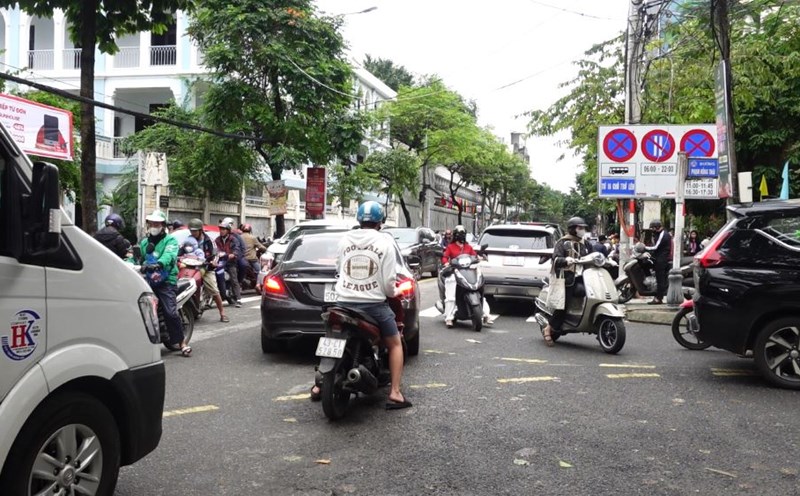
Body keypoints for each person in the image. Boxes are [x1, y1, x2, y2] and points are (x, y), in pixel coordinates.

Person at [310, 201, 411, 410]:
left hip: (342, 302)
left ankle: (318, 385)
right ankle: (395, 392)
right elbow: (388, 283)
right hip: (373, 305)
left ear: (359, 220)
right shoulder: (385, 242)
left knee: (330, 337)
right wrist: (394, 292)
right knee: (395, 343)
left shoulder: (345, 239)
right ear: (380, 221)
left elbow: (339, 269)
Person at [139, 210, 191, 356]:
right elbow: (138, 258)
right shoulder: (144, 242)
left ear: (163, 225)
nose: (154, 226)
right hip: (148, 280)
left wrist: (159, 263)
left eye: (157, 223)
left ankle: (182, 343)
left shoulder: (170, 241)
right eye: (151, 223)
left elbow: (169, 255)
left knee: (170, 312)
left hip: (166, 281)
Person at [541, 217, 591, 346]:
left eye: (583, 228)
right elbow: (556, 260)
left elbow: (594, 255)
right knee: (563, 304)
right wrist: (566, 260)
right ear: (573, 229)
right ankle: (549, 327)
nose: (582, 230)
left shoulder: (586, 243)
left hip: (585, 277)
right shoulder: (562, 242)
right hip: (567, 279)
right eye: (580, 228)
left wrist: (607, 260)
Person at [440, 225, 493, 327]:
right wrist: (446, 263)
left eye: (463, 235)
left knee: (480, 292)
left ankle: (486, 315)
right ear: (455, 236)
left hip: (468, 272)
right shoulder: (450, 247)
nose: (461, 237)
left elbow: (474, 256)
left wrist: (480, 257)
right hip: (454, 272)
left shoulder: (468, 247)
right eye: (459, 235)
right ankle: (449, 318)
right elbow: (445, 257)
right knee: (451, 296)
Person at [188, 218, 229, 322]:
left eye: (194, 231)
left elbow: (215, 254)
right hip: (191, 267)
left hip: (206, 268)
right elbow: (181, 251)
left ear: (200, 230)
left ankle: (222, 313)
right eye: (191, 231)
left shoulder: (209, 241)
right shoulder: (188, 240)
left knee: (214, 289)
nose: (192, 233)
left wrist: (213, 262)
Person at [215, 217, 243, 307]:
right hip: (220, 262)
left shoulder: (233, 239)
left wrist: (233, 254)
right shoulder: (217, 240)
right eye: (221, 229)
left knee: (234, 279)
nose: (222, 231)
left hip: (230, 262)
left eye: (224, 229)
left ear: (228, 230)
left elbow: (237, 249)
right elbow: (215, 249)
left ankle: (238, 299)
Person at [645, 219, 672, 305]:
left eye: (653, 228)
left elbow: (656, 247)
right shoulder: (658, 234)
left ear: (657, 227)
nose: (652, 230)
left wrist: (645, 248)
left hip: (662, 259)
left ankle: (658, 298)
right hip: (658, 257)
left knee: (660, 279)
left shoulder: (663, 234)